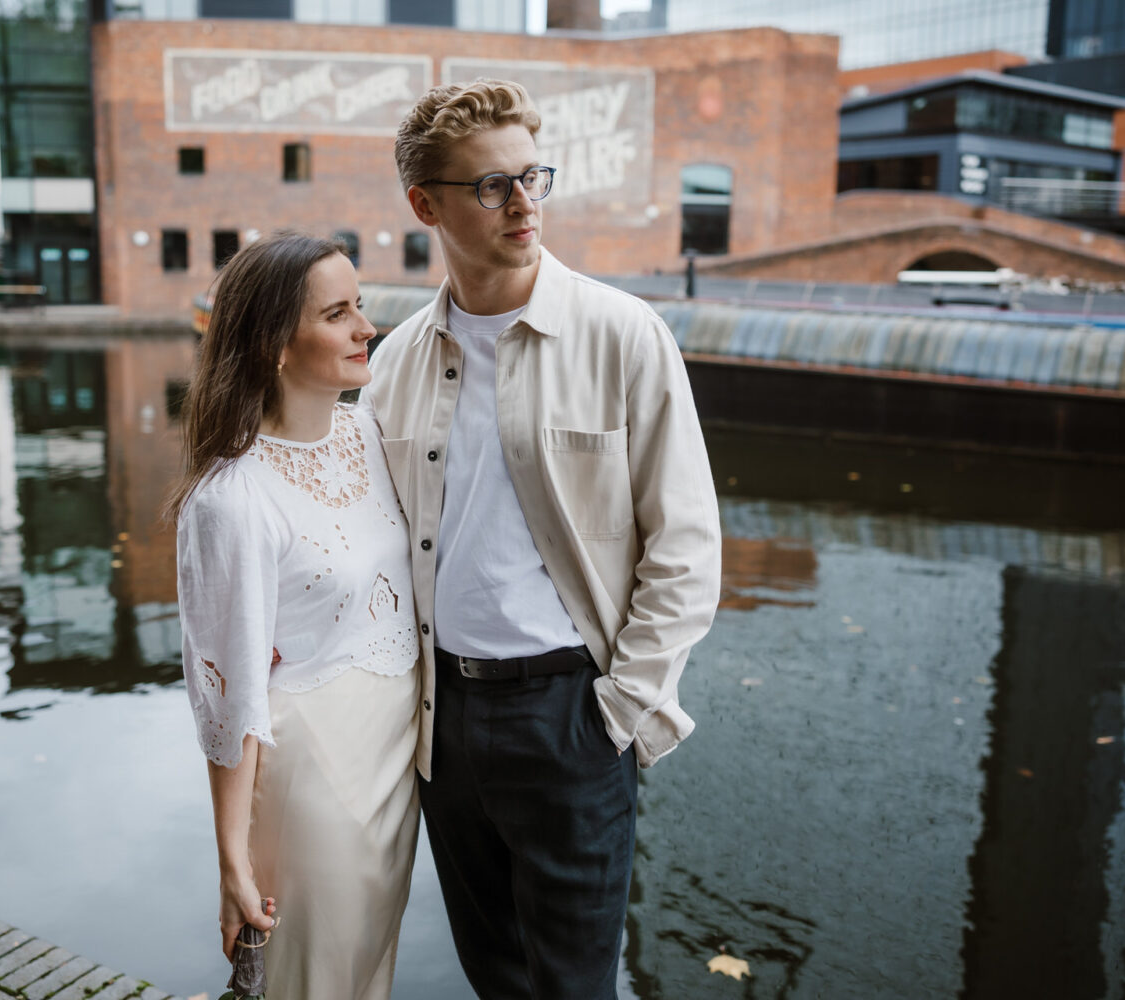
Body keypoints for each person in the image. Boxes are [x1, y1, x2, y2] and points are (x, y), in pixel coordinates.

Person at [362, 80, 723, 998]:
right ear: (424, 205)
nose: (524, 204)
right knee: (498, 979)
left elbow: (685, 549)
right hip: (442, 721)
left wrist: (619, 712)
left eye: (533, 177)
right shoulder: (396, 362)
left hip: (571, 716)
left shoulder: (622, 335)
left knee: (573, 988)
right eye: (492, 187)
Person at [170, 232, 420, 1000]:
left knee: (369, 972)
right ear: (276, 345)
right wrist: (232, 861)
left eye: (362, 305)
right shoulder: (231, 500)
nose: (366, 328)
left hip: (399, 759)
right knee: (315, 981)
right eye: (338, 314)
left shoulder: (373, 433)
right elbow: (229, 701)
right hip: (316, 775)